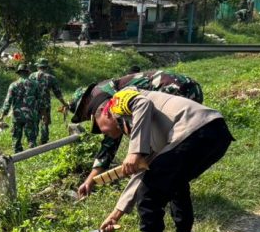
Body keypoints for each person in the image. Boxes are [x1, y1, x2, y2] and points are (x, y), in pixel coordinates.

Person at [96, 88, 233, 232]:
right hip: (216, 134)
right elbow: (142, 173)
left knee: (149, 194)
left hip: (195, 130)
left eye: (105, 129)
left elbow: (142, 103)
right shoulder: (151, 133)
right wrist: (116, 214)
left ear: (108, 113)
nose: (110, 135)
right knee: (176, 185)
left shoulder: (118, 99)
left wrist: (134, 152)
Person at [70, 69, 205, 199]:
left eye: (84, 114)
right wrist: (91, 180)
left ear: (84, 102)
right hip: (188, 88)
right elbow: (114, 136)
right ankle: (172, 186)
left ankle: (170, 189)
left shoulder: (101, 95)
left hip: (176, 88)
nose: (87, 117)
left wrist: (135, 154)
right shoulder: (102, 95)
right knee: (167, 149)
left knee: (166, 151)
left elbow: (111, 140)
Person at [0, 64, 38, 153]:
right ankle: (32, 152)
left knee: (16, 138)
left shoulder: (13, 85)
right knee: (31, 137)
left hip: (17, 115)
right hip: (30, 115)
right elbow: (40, 100)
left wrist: (2, 116)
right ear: (28, 72)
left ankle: (17, 154)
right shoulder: (35, 84)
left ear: (18, 73)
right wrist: (42, 113)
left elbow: (7, 102)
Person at [29, 58, 68, 145]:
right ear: (46, 67)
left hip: (33, 104)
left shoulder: (31, 76)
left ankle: (32, 140)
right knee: (44, 121)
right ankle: (44, 141)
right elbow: (58, 93)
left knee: (34, 121)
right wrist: (64, 104)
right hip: (45, 104)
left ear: (37, 67)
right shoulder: (51, 78)